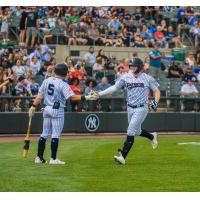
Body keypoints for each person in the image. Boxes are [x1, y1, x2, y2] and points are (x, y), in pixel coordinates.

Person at [91, 58, 160, 164]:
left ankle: (122, 156)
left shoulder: (147, 78)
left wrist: (155, 102)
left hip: (142, 107)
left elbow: (156, 90)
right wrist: (99, 94)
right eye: (131, 66)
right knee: (137, 131)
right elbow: (114, 88)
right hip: (130, 107)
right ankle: (152, 136)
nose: (132, 68)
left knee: (131, 131)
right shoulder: (126, 76)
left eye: (134, 66)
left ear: (140, 67)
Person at [28, 63, 96, 164]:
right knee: (55, 134)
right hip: (57, 109)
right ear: (64, 73)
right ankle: (53, 159)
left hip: (46, 108)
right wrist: (86, 97)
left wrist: (33, 106)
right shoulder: (63, 84)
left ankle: (39, 158)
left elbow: (39, 96)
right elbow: (72, 97)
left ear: (55, 71)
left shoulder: (46, 80)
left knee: (44, 133)